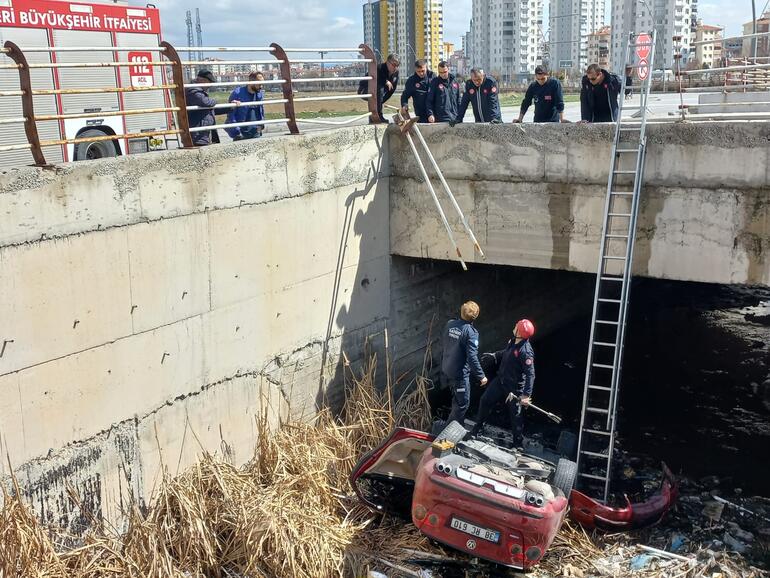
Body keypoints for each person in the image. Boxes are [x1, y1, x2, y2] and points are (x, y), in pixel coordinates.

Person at [470, 319, 536, 448]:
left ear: (520, 332)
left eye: (517, 326)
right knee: (485, 400)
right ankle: (477, 429)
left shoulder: (526, 352)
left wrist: (526, 395)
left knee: (515, 416)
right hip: (501, 381)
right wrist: (495, 355)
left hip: (514, 388)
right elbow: (507, 353)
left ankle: (518, 444)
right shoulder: (513, 341)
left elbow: (530, 374)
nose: (515, 325)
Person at [440, 301, 488, 427]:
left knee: (456, 400)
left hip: (447, 368)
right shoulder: (471, 332)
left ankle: (457, 426)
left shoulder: (450, 324)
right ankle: (448, 433)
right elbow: (472, 357)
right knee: (462, 404)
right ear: (476, 316)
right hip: (459, 374)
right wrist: (481, 376)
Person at [359, 54, 399, 123]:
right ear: (387, 62)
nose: (395, 67)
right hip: (364, 90)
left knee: (379, 95)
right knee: (379, 89)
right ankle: (378, 115)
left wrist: (381, 101)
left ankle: (377, 116)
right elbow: (374, 81)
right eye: (394, 65)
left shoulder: (396, 73)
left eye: (397, 65)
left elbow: (392, 90)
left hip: (377, 92)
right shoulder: (379, 68)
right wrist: (386, 81)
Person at [225, 71, 265, 140]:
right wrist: (236, 131)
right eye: (259, 84)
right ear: (251, 82)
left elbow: (261, 110)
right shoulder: (237, 93)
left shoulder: (259, 94)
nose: (261, 87)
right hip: (240, 134)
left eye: (262, 84)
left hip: (256, 132)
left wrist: (261, 125)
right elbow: (231, 114)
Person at [185, 69, 219, 146]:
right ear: (202, 80)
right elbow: (205, 102)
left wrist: (231, 107)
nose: (210, 85)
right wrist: (215, 100)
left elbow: (209, 108)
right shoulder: (193, 91)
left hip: (202, 131)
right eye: (209, 82)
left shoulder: (197, 91)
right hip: (197, 134)